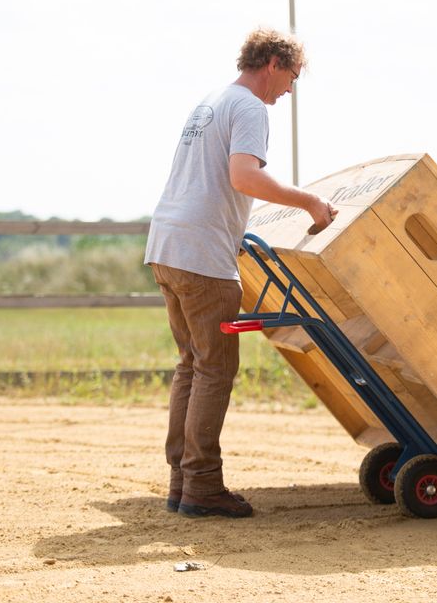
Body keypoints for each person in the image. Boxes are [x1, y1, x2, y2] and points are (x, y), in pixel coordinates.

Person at [144, 28, 337, 519]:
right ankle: (203, 486)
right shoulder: (250, 107)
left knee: (191, 363)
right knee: (214, 368)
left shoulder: (211, 101)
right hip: (203, 254)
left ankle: (182, 480)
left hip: (167, 244)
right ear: (273, 62)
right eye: (291, 78)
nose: (288, 91)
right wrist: (310, 202)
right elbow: (244, 177)